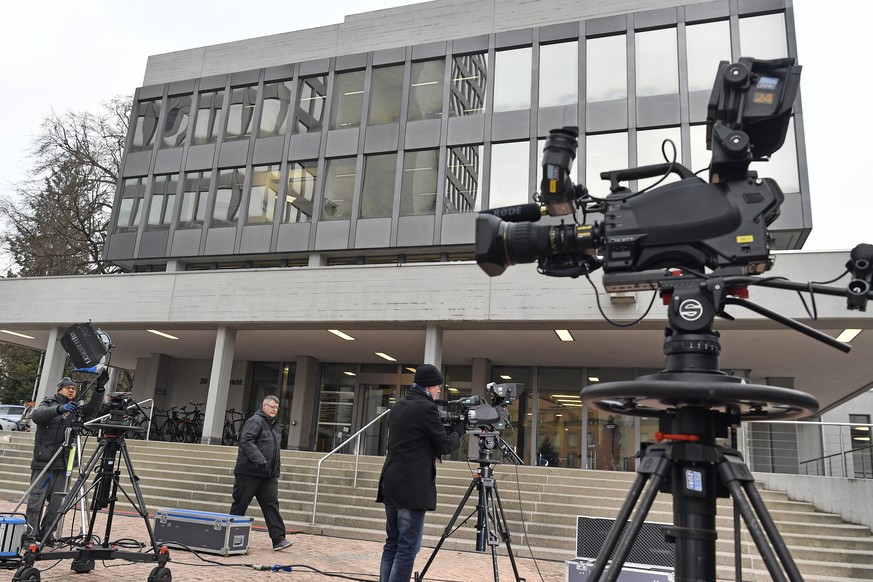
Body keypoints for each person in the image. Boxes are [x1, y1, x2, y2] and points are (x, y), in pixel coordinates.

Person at [376, 364, 464, 582]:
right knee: (407, 548)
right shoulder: (427, 408)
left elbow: (412, 440)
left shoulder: (397, 406)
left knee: (392, 543)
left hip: (391, 481)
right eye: (438, 387)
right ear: (429, 387)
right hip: (411, 487)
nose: (439, 392)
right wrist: (459, 431)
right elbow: (444, 445)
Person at [27, 376, 105, 542]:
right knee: (36, 502)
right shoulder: (48, 403)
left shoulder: (75, 409)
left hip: (64, 464)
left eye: (74, 388)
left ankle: (48, 534)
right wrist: (59, 409)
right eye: (68, 387)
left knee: (57, 505)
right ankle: (30, 535)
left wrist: (99, 390)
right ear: (59, 389)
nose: (71, 390)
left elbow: (92, 408)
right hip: (44, 463)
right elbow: (37, 416)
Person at [229, 394, 292, 551]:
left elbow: (275, 450)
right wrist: (259, 459)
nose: (275, 410)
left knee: (271, 505)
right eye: (272, 407)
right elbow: (246, 440)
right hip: (249, 472)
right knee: (240, 505)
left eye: (277, 408)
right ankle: (228, 538)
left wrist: (274, 469)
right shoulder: (255, 421)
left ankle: (279, 540)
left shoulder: (275, 426)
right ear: (264, 406)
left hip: (268, 475)